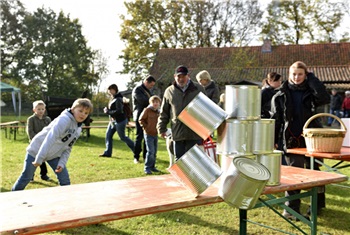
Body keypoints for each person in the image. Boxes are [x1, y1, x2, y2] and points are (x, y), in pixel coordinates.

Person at [270, 61, 330, 220]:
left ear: (306, 75)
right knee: (295, 174)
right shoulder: (280, 95)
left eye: (301, 74)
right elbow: (275, 119)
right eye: (294, 74)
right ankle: (291, 210)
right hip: (290, 140)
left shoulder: (312, 92)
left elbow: (324, 98)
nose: (297, 77)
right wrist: (274, 140)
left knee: (316, 173)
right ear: (289, 75)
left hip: (312, 139)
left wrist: (312, 78)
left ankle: (317, 205)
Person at [12, 98, 93, 191]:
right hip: (37, 150)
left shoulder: (78, 129)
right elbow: (50, 138)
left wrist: (62, 163)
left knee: (65, 180)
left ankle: (67, 201)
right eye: (80, 111)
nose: (83, 114)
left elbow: (68, 147)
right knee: (26, 177)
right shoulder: (64, 120)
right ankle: (11, 199)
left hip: (53, 155)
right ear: (73, 109)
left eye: (86, 113)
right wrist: (39, 158)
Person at [157, 65, 206, 160]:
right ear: (174, 76)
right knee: (179, 161)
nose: (181, 79)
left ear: (188, 76)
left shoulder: (198, 89)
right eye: (178, 76)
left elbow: (206, 109)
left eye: (183, 76)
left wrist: (207, 129)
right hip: (178, 133)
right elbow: (164, 112)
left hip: (194, 133)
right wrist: (161, 128)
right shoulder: (169, 91)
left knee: (195, 161)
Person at [100, 84, 135, 157]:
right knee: (108, 135)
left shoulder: (118, 98)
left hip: (120, 120)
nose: (109, 92)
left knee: (122, 137)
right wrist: (107, 110)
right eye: (108, 90)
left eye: (110, 90)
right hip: (113, 121)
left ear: (114, 89)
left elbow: (119, 111)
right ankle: (107, 153)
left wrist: (107, 112)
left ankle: (136, 149)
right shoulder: (113, 98)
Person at [132, 75, 156, 164]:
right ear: (146, 82)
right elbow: (143, 101)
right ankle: (136, 157)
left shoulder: (148, 91)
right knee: (139, 137)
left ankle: (146, 156)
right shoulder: (137, 89)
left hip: (148, 116)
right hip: (140, 116)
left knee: (148, 136)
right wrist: (153, 101)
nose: (152, 87)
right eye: (151, 85)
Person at [26, 100, 52, 181]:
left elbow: (50, 131)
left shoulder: (47, 119)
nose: (41, 111)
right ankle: (31, 176)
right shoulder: (31, 119)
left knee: (42, 160)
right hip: (34, 143)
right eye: (38, 109)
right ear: (34, 110)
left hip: (45, 143)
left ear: (45, 109)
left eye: (42, 109)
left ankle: (44, 175)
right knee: (33, 160)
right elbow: (30, 131)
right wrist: (37, 140)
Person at [138, 95, 161, 174]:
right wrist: (146, 127)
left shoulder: (158, 112)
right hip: (148, 134)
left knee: (154, 152)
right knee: (150, 151)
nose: (155, 104)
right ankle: (147, 167)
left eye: (157, 102)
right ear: (151, 103)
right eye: (154, 102)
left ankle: (152, 167)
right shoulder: (147, 110)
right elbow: (141, 119)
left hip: (155, 134)